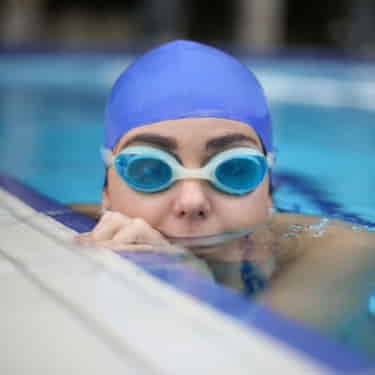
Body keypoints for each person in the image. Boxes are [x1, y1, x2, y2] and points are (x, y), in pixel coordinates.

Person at [73, 40, 375, 353]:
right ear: (106, 192)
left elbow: (257, 360)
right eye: (150, 170)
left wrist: (193, 287)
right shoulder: (71, 223)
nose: (192, 202)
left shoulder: (346, 249)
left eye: (233, 169)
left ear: (268, 193)